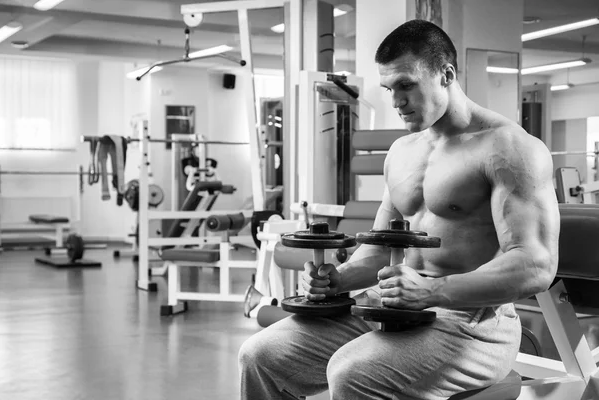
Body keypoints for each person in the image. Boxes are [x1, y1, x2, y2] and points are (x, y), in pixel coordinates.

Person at [238, 19, 560, 400]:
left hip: (472, 324)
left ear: (446, 75)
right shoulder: (402, 153)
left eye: (407, 85)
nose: (396, 102)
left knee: (352, 373)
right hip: (389, 307)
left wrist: (432, 290)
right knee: (260, 354)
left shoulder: (509, 148)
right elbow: (377, 252)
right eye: (389, 88)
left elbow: (535, 264)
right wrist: (337, 279)